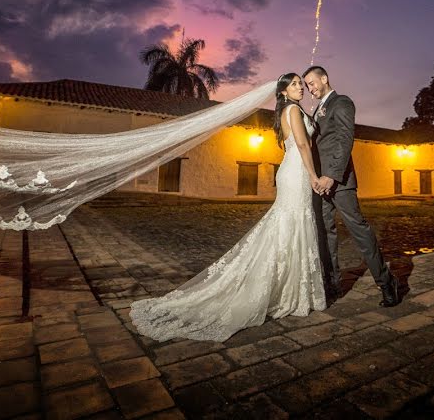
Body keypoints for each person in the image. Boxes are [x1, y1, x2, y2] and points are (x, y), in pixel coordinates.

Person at [129, 73, 326, 342]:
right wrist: (314, 176)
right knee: (290, 223)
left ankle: (288, 289)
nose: (299, 88)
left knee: (290, 224)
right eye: (294, 85)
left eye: (301, 84)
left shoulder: (290, 110)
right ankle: (282, 290)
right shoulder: (292, 109)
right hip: (297, 172)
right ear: (282, 92)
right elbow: (303, 144)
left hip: (292, 171)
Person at [303, 65, 400, 307]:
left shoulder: (342, 102)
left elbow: (345, 139)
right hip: (319, 184)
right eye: (306, 86)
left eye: (312, 83)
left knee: (360, 231)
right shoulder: (317, 111)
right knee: (325, 235)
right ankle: (333, 285)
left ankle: (387, 282)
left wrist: (331, 177)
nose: (310, 89)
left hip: (340, 183)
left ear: (324, 79)